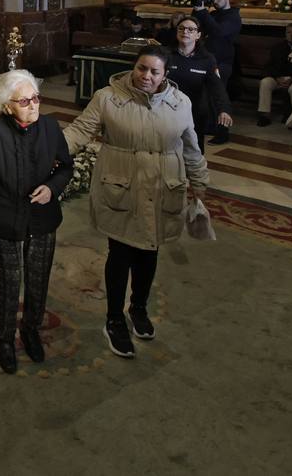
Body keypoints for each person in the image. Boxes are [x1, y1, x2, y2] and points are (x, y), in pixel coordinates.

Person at [63, 47, 208, 359]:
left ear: (166, 75)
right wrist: (47, 150)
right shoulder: (108, 97)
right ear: (134, 67)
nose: (146, 76)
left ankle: (138, 308)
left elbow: (192, 147)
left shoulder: (180, 103)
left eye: (155, 72)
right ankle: (114, 318)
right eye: (142, 68)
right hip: (122, 186)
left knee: (149, 249)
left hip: (163, 186)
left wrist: (200, 183)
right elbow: (79, 131)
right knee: (121, 252)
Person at [0, 69, 74, 374]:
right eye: (25, 101)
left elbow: (65, 167)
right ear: (7, 106)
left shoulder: (51, 127)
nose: (34, 105)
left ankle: (31, 330)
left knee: (38, 278)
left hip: (42, 217)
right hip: (6, 218)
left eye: (36, 98)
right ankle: (4, 339)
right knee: (11, 280)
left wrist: (52, 188)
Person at [165, 15, 232, 152]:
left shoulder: (207, 59)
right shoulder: (165, 55)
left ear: (198, 35)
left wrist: (223, 110)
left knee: (194, 150)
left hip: (194, 112)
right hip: (166, 110)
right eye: (181, 29)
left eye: (191, 29)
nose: (185, 32)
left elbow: (217, 87)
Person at [192, 0, 241, 142]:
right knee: (205, 96)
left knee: (219, 96)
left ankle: (222, 131)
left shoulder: (233, 16)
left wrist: (204, 13)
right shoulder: (213, 14)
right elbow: (197, 26)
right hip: (208, 59)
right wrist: (197, 10)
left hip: (223, 61)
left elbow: (219, 32)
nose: (215, 2)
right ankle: (209, 126)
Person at [257, 24, 292, 126]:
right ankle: (264, 115)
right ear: (285, 34)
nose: (291, 35)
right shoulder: (278, 47)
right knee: (265, 82)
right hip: (278, 78)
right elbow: (269, 66)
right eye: (289, 32)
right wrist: (277, 78)